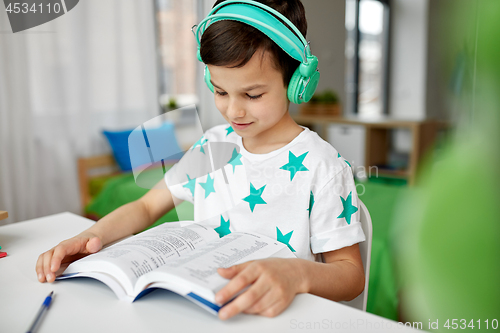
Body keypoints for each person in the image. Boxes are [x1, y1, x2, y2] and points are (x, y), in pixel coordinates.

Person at [36, 0, 366, 320]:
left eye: (253, 95)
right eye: (220, 91)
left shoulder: (323, 166)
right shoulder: (212, 145)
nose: (234, 110)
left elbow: (350, 277)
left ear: (297, 83)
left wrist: (297, 274)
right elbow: (147, 207)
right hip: (196, 314)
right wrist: (91, 237)